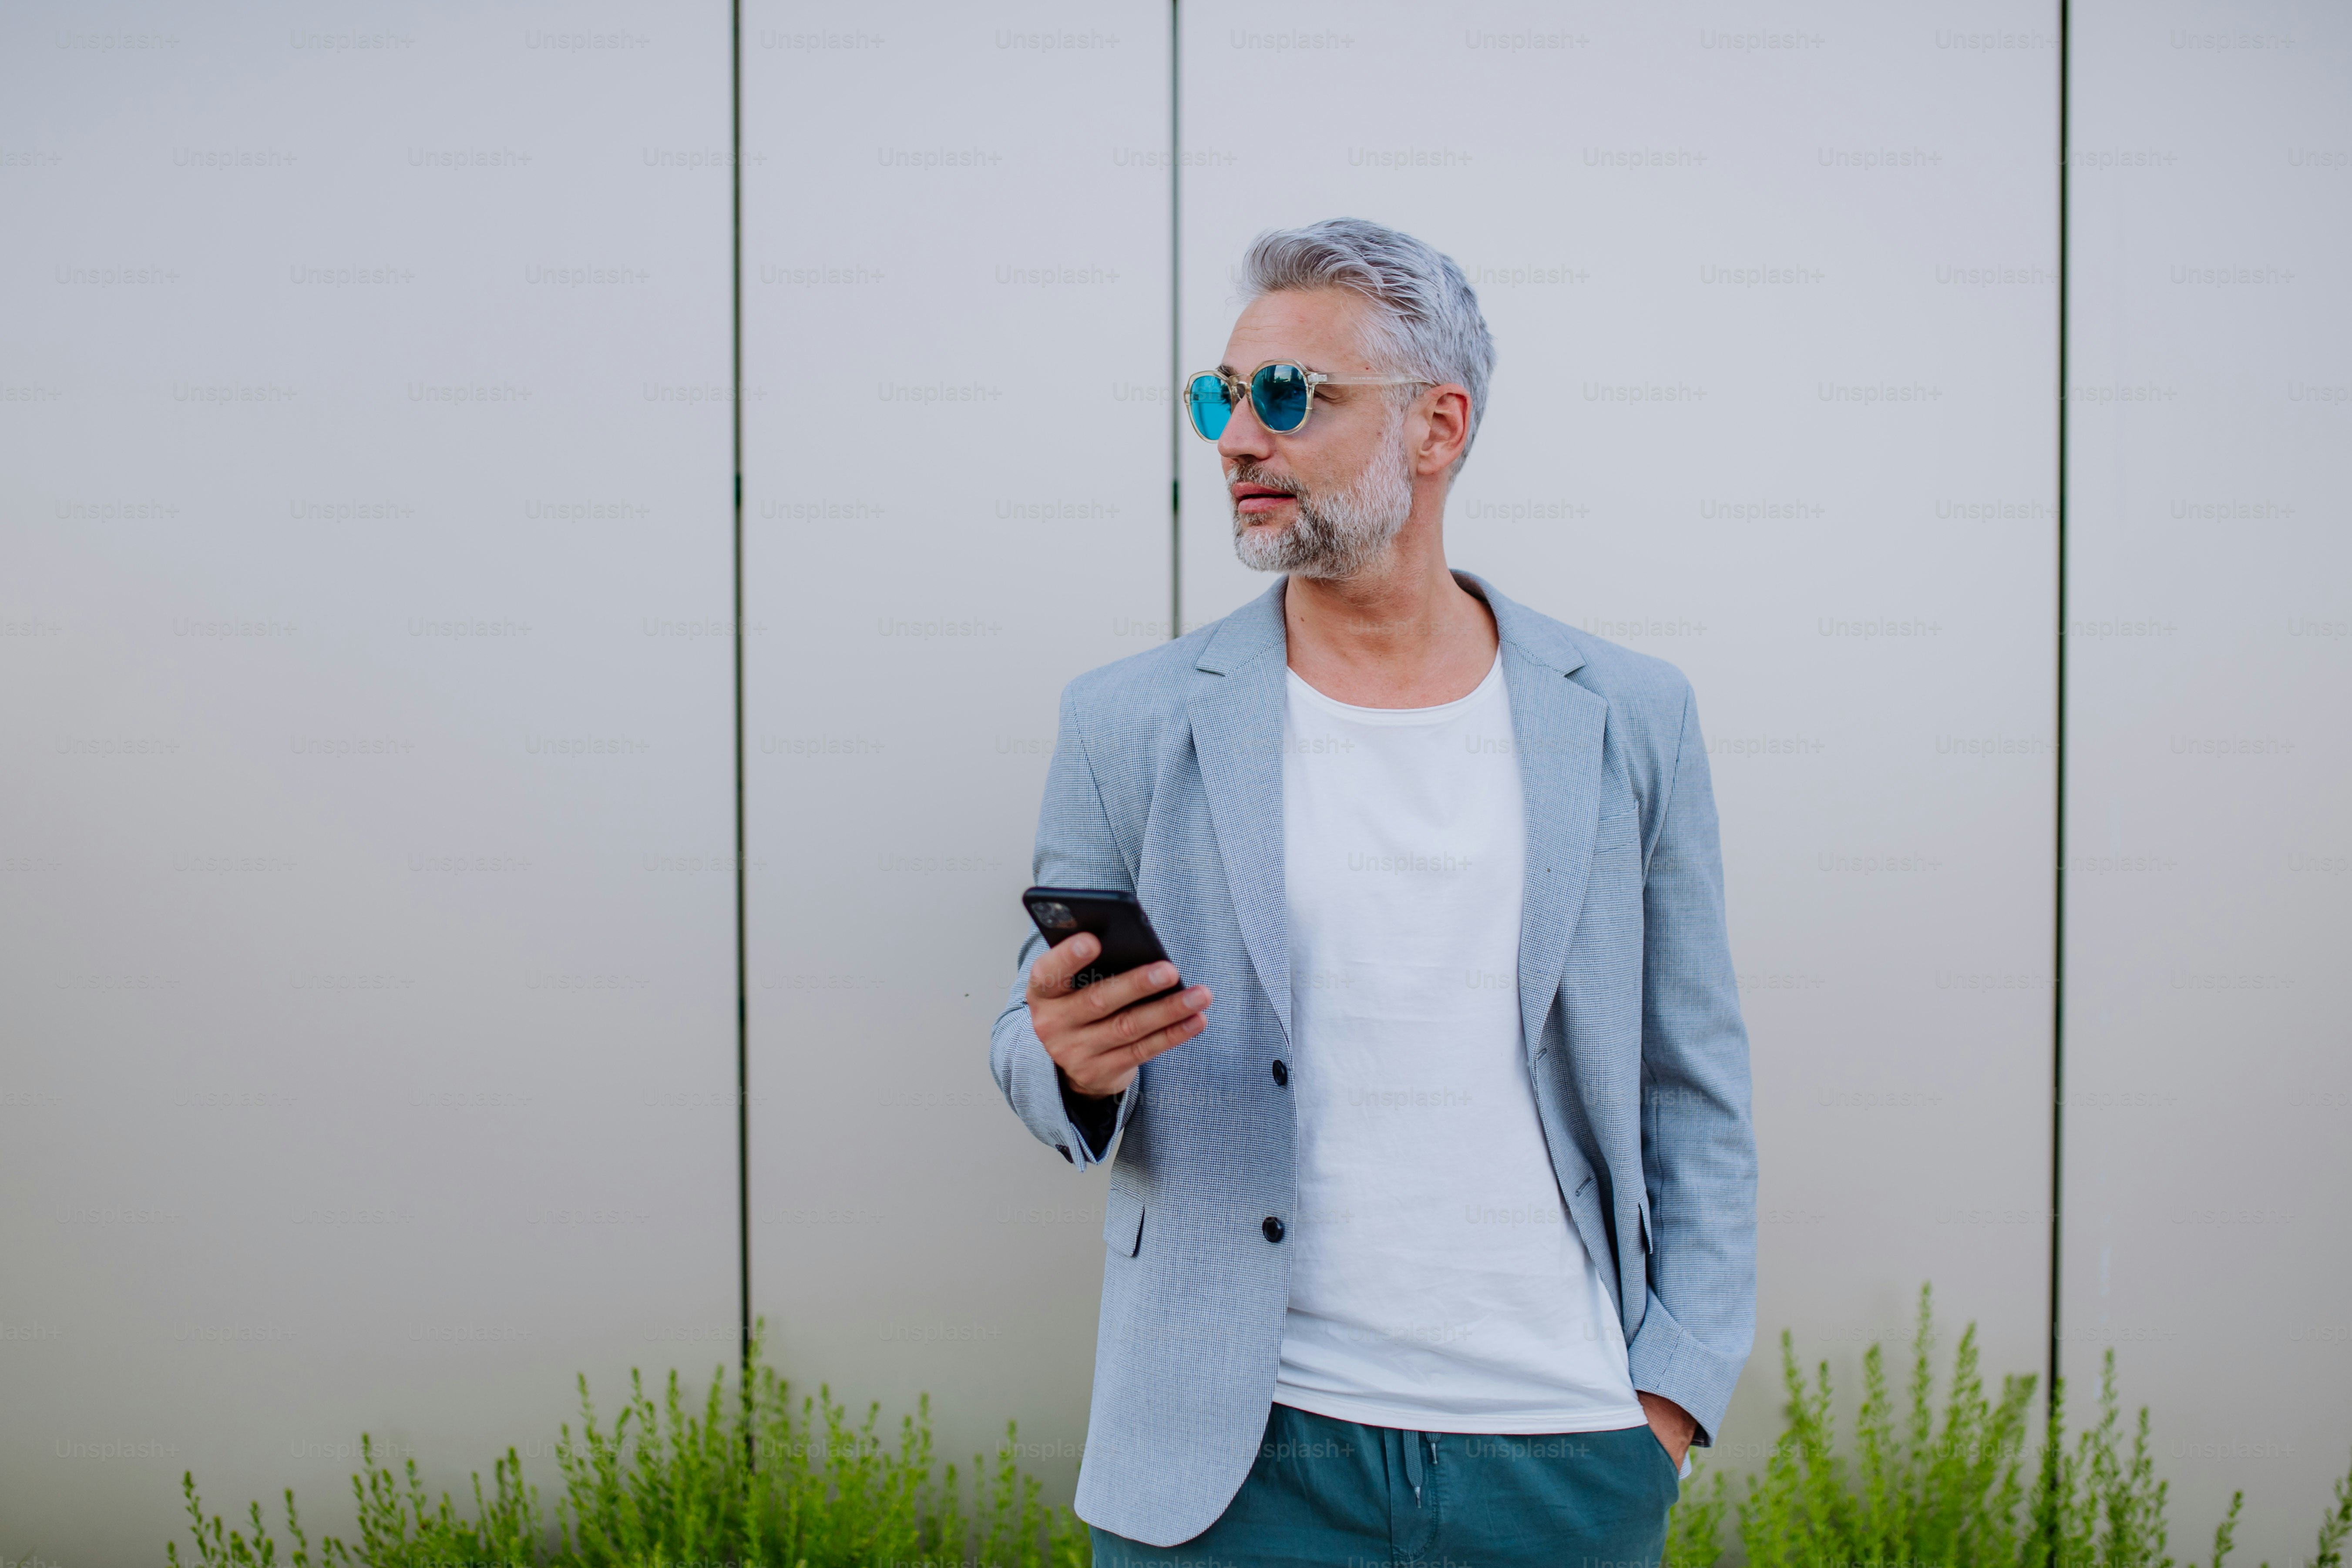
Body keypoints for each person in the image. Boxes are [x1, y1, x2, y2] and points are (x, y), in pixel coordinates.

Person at [990, 218, 1756, 1568]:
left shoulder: (1629, 716)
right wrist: (1069, 1058)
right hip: (1232, 1458)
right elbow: (1030, 1036)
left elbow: (1690, 1075)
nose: (1236, 437)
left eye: (1286, 395)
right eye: (1218, 397)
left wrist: (1669, 1395)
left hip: (1564, 1450)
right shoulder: (1129, 720)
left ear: (1435, 426)